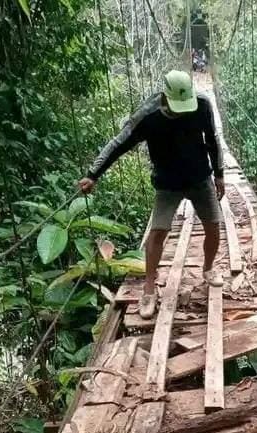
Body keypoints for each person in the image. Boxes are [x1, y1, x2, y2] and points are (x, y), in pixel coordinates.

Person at [78, 70, 225, 319]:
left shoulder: (202, 105)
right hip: (167, 183)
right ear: (165, 97)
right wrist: (93, 174)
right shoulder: (148, 116)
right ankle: (149, 288)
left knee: (214, 226)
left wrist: (219, 174)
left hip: (200, 177)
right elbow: (119, 143)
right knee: (157, 233)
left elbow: (212, 139)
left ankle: (208, 269)